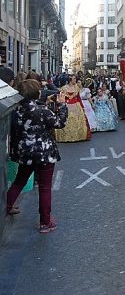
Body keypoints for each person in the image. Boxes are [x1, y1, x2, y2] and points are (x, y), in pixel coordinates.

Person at [7, 79, 68, 233]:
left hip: (25, 153)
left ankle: (6, 206)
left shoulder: (16, 110)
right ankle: (45, 222)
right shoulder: (42, 110)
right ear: (37, 92)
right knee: (45, 187)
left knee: (19, 181)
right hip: (44, 153)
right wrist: (62, 105)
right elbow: (59, 123)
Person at [55, 75, 91, 142]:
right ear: (70, 80)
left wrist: (82, 107)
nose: (75, 80)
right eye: (74, 79)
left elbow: (79, 98)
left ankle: (78, 136)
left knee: (78, 121)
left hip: (76, 106)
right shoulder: (63, 88)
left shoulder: (76, 87)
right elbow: (62, 98)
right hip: (67, 105)